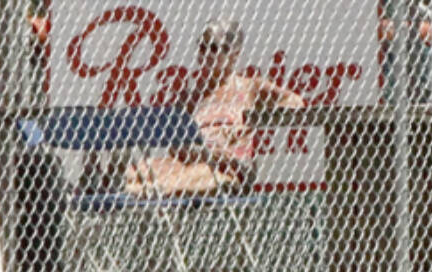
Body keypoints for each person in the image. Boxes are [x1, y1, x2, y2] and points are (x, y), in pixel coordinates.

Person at [124, 17, 305, 197]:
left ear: (234, 54)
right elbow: (175, 145)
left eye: (215, 48)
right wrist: (198, 150)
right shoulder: (190, 97)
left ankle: (144, 191)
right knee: (140, 169)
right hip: (192, 159)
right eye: (203, 47)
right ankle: (123, 187)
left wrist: (250, 121)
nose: (207, 54)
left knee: (190, 175)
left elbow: (295, 102)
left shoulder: (249, 87)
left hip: (228, 168)